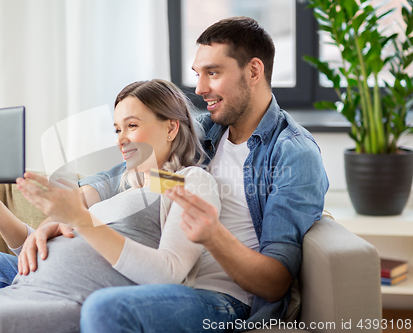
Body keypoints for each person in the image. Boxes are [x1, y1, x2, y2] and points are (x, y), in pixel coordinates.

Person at [77, 16, 329, 332]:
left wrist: (213, 234)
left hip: (224, 300)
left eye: (213, 73)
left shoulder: (293, 153)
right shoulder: (206, 130)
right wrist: (72, 206)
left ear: (253, 71)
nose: (199, 88)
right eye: (198, 74)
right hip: (169, 279)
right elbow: (125, 169)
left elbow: (274, 282)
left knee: (106, 309)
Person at [0, 79, 221, 333]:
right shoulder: (123, 185)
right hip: (24, 286)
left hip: (58, 299)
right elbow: (33, 252)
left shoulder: (188, 182)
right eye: (117, 129)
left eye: (132, 125)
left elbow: (169, 273)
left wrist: (80, 218)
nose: (121, 139)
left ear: (171, 128)